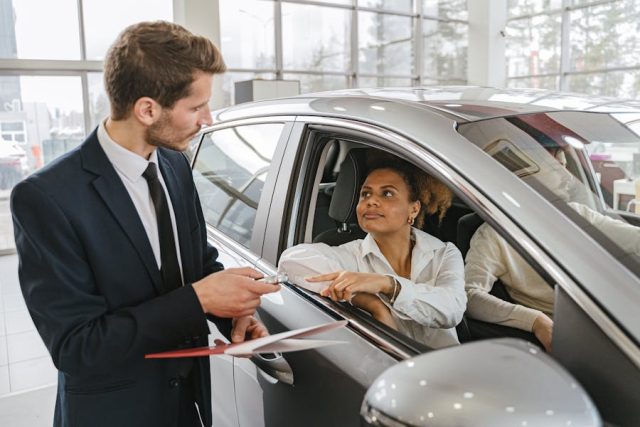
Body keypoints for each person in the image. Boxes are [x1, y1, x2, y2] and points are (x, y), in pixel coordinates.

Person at [10, 21, 280, 427]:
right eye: (196, 106)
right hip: (115, 413)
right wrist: (200, 301)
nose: (207, 119)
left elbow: (198, 264)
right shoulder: (47, 198)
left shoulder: (175, 165)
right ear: (147, 109)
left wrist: (232, 314)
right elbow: (76, 347)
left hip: (188, 404)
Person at [465, 146, 640, 352]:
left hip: (619, 314)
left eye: (565, 166)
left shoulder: (576, 214)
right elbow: (469, 297)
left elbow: (634, 240)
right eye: (557, 168)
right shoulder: (492, 236)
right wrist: (536, 320)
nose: (568, 177)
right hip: (582, 335)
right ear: (529, 174)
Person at [279, 156, 467, 349]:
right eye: (365, 194)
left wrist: (387, 285)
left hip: (448, 368)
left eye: (387, 194)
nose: (371, 201)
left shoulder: (444, 253)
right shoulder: (349, 255)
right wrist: (371, 304)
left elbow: (452, 310)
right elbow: (291, 260)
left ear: (413, 209)